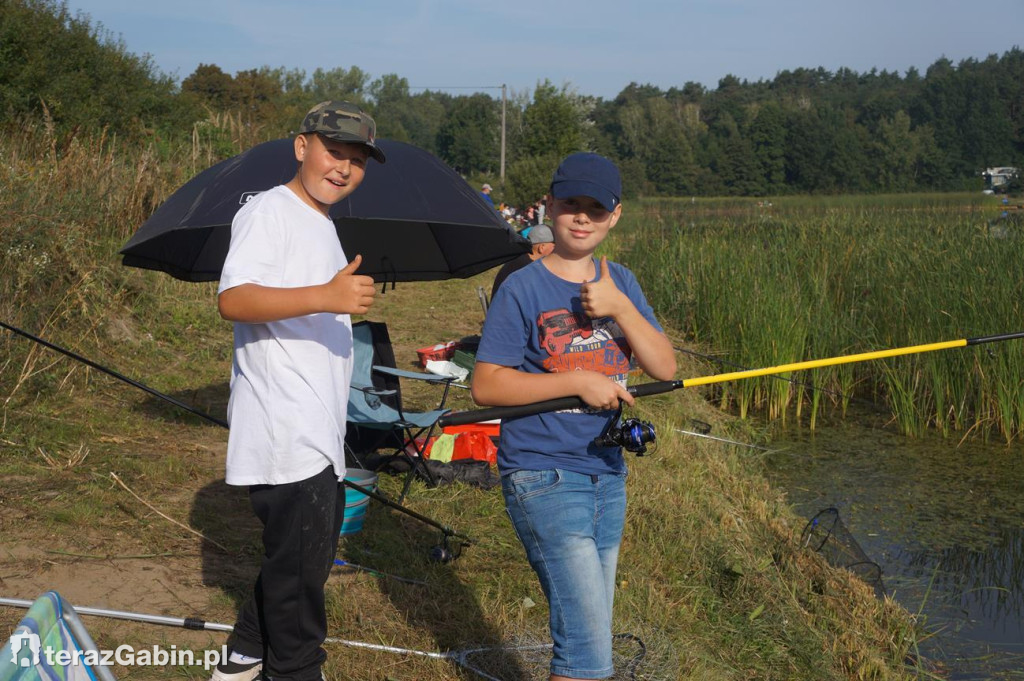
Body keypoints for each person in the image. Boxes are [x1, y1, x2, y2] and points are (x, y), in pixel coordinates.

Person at [471, 152, 677, 681]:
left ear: (615, 215)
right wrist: (578, 382)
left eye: (595, 208)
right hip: (543, 474)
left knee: (589, 637)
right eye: (570, 205)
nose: (582, 217)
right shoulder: (522, 286)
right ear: (550, 206)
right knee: (589, 654)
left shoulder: (622, 282)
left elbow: (664, 366)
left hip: (607, 474)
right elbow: (486, 385)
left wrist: (621, 309)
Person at [211, 101, 385, 681]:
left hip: (316, 428)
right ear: (301, 146)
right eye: (335, 152)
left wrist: (336, 298)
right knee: (302, 586)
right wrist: (326, 297)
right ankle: (295, 670)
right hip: (286, 429)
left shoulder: (321, 224)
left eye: (357, 160)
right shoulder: (271, 212)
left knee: (298, 564)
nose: (344, 168)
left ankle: (242, 655)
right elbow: (234, 300)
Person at [490, 223, 555, 298]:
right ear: (542, 248)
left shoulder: (521, 259)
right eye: (554, 246)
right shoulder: (528, 268)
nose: (556, 250)